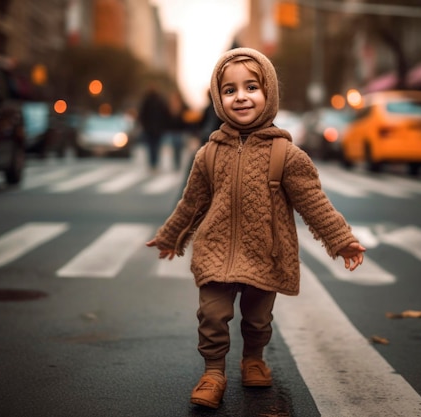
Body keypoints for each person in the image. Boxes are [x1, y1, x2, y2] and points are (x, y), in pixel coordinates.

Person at [146, 47, 366, 409]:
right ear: (219, 98)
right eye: (230, 90)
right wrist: (172, 234)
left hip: (266, 252)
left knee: (257, 319)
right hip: (215, 250)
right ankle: (214, 371)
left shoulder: (287, 154)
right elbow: (192, 202)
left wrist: (342, 241)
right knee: (212, 316)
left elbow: (314, 203)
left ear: (269, 93)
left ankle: (254, 359)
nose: (241, 97)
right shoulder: (209, 153)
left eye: (251, 87)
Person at [137, 86, 169, 171]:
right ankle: (154, 163)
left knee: (151, 146)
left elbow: (142, 114)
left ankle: (152, 163)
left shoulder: (147, 100)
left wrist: (144, 125)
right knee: (156, 146)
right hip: (157, 128)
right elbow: (165, 114)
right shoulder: (160, 101)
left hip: (150, 128)